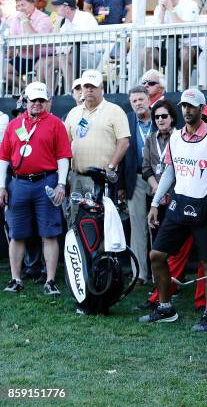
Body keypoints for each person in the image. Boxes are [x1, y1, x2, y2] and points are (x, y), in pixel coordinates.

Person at [142, 89, 207, 333]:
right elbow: (170, 172)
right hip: (180, 201)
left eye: (192, 106)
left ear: (202, 109)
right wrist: (155, 203)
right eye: (184, 106)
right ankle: (165, 307)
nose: (187, 110)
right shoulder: (176, 137)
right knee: (156, 255)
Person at [0, 82, 72, 295]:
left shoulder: (55, 124)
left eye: (41, 100)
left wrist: (60, 183)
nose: (37, 104)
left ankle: (50, 280)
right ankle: (16, 279)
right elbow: (3, 157)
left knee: (49, 233)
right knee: (17, 234)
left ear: (47, 101)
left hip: (46, 182)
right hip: (19, 183)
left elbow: (63, 156)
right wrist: (2, 185)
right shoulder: (14, 125)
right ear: (26, 100)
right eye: (34, 100)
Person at [139, 99, 207, 315]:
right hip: (163, 200)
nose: (160, 120)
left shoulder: (189, 138)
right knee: (161, 253)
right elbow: (150, 168)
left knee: (200, 256)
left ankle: (202, 302)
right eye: (156, 117)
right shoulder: (153, 139)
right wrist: (158, 195)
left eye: (164, 116)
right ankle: (161, 296)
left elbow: (190, 171)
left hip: (191, 201)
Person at [64, 69, 130, 225]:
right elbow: (65, 144)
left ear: (102, 88)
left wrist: (110, 167)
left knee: (101, 223)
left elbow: (124, 142)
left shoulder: (115, 111)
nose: (89, 90)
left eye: (93, 86)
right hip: (76, 177)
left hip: (101, 179)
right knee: (75, 220)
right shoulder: (74, 113)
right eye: (85, 86)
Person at [118, 86, 154, 284]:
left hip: (159, 179)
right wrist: (121, 186)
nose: (138, 103)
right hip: (136, 179)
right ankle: (139, 273)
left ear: (149, 99)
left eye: (141, 99)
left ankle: (160, 274)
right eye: (134, 101)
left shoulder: (160, 117)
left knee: (157, 227)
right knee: (137, 227)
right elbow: (122, 155)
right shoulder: (127, 121)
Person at [35, 0, 99, 91]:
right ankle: (47, 94)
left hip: (92, 56)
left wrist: (64, 48)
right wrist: (57, 22)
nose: (55, 9)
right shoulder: (66, 22)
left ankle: (70, 91)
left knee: (63, 58)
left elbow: (80, 40)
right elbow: (57, 42)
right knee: (44, 62)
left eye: (58, 6)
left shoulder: (85, 17)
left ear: (67, 8)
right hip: (73, 56)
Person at [5, 0, 53, 93]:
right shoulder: (15, 19)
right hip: (24, 56)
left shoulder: (43, 18)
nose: (20, 8)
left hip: (42, 56)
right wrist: (9, 53)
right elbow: (12, 39)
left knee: (41, 69)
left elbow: (36, 39)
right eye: (18, 6)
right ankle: (28, 90)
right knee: (6, 72)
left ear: (33, 4)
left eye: (23, 5)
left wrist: (25, 20)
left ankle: (40, 94)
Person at [151, 0, 199, 87]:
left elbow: (184, 28)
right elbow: (155, 30)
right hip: (166, 47)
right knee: (145, 53)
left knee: (185, 52)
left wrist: (171, 9)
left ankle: (184, 88)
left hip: (187, 45)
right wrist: (162, 11)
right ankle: (156, 87)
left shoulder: (190, 4)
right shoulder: (159, 8)